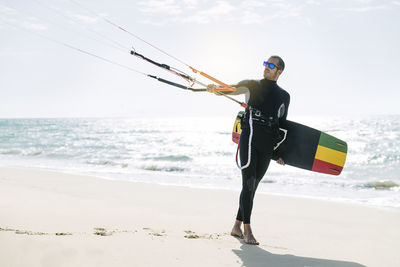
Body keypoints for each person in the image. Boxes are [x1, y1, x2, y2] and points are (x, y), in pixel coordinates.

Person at [207, 55, 290, 245]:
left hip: (268, 146)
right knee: (249, 182)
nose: (266, 67)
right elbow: (231, 88)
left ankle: (235, 226)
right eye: (265, 64)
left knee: (252, 187)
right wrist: (216, 89)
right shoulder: (252, 85)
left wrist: (280, 153)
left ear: (280, 71)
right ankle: (247, 229)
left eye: (271, 65)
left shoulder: (284, 96)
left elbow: (282, 125)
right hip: (249, 138)